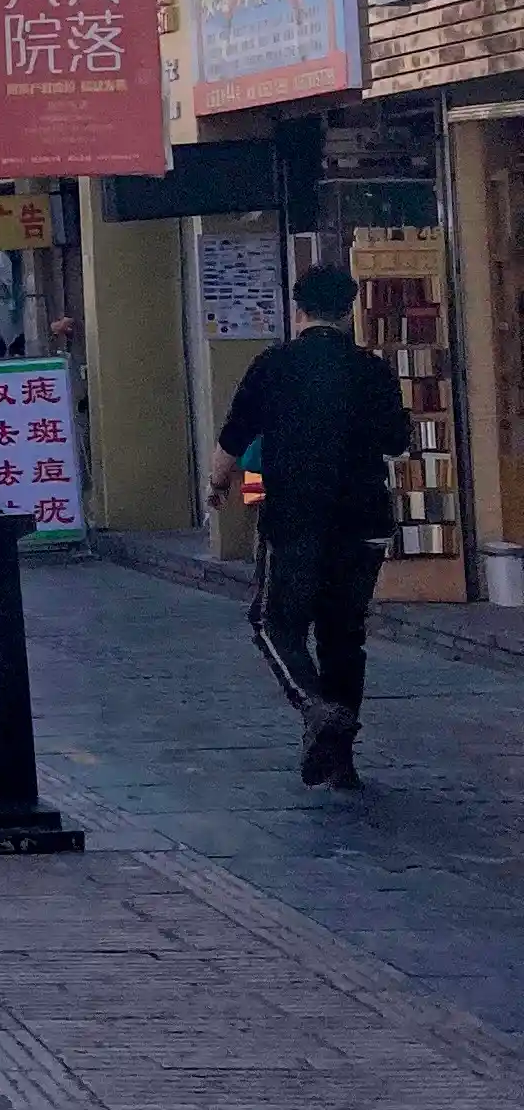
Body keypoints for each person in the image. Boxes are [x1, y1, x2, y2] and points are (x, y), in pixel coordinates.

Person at [209, 263, 410, 786]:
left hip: (294, 517)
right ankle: (341, 759)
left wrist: (218, 484)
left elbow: (233, 437)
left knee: (272, 622)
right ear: (348, 311)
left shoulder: (274, 366)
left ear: (297, 308)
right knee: (344, 635)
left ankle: (314, 707)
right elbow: (397, 441)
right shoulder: (372, 370)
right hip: (364, 519)